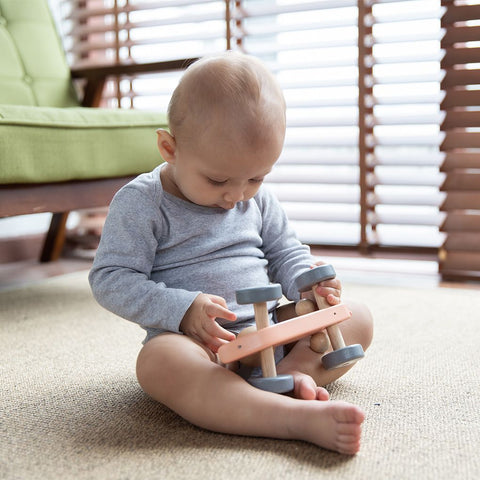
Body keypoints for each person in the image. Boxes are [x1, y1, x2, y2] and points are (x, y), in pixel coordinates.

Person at [89, 51, 373, 455]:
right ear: (169, 147)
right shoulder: (141, 203)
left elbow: (286, 252)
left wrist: (309, 284)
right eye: (218, 178)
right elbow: (110, 278)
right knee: (158, 364)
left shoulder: (257, 199)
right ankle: (287, 416)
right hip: (200, 345)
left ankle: (280, 383)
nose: (236, 195)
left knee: (357, 318)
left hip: (274, 326)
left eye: (256, 177)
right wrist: (181, 310)